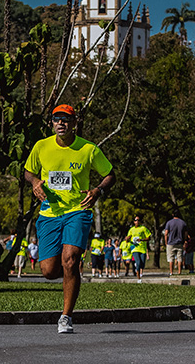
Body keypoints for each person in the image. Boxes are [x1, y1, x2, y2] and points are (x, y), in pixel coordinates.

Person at [24, 104, 115, 333]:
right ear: (52, 123)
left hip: (78, 211)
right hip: (50, 214)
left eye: (66, 119)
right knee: (49, 271)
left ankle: (66, 317)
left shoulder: (88, 149)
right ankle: (68, 275)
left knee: (71, 260)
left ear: (74, 123)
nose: (61, 123)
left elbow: (109, 174)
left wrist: (97, 191)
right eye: (57, 119)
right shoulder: (41, 146)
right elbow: (28, 171)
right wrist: (35, 182)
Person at [126, 215, 151, 283]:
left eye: (138, 220)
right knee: (138, 262)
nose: (137, 221)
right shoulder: (131, 229)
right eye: (135, 220)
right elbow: (127, 238)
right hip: (134, 248)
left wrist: (142, 239)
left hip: (142, 248)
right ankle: (139, 278)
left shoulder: (143, 228)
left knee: (142, 264)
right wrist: (127, 239)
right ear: (134, 222)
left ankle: (138, 266)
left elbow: (149, 238)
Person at [163, 210, 187, 276]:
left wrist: (166, 242)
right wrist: (184, 240)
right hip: (180, 242)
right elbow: (185, 233)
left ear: (173, 214)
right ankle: (179, 271)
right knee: (179, 258)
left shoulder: (169, 223)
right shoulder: (183, 223)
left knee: (171, 258)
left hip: (171, 242)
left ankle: (171, 272)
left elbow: (166, 233)